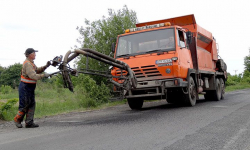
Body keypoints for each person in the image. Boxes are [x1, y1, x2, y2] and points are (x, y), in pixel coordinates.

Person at [14, 48, 51, 128]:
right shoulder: (27, 64)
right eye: (34, 53)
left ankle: (29, 122)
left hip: (29, 87)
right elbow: (33, 76)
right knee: (24, 105)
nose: (35, 54)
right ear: (30, 54)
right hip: (25, 87)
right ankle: (17, 120)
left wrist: (46, 66)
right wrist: (44, 75)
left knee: (31, 104)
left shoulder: (31, 63)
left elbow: (37, 70)